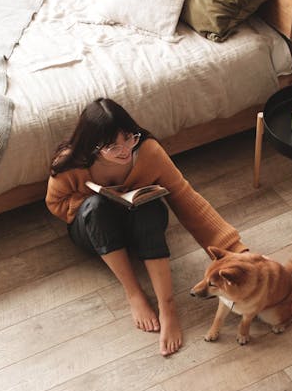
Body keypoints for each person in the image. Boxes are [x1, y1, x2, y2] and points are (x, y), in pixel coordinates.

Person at [45, 98, 248, 356]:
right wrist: (96, 201)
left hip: (140, 225)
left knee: (149, 206)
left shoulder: (148, 152)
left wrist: (235, 252)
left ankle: (167, 307)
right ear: (93, 146)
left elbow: (187, 199)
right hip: (95, 230)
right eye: (112, 146)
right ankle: (135, 294)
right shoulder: (70, 163)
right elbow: (55, 203)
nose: (124, 150)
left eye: (129, 138)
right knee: (96, 209)